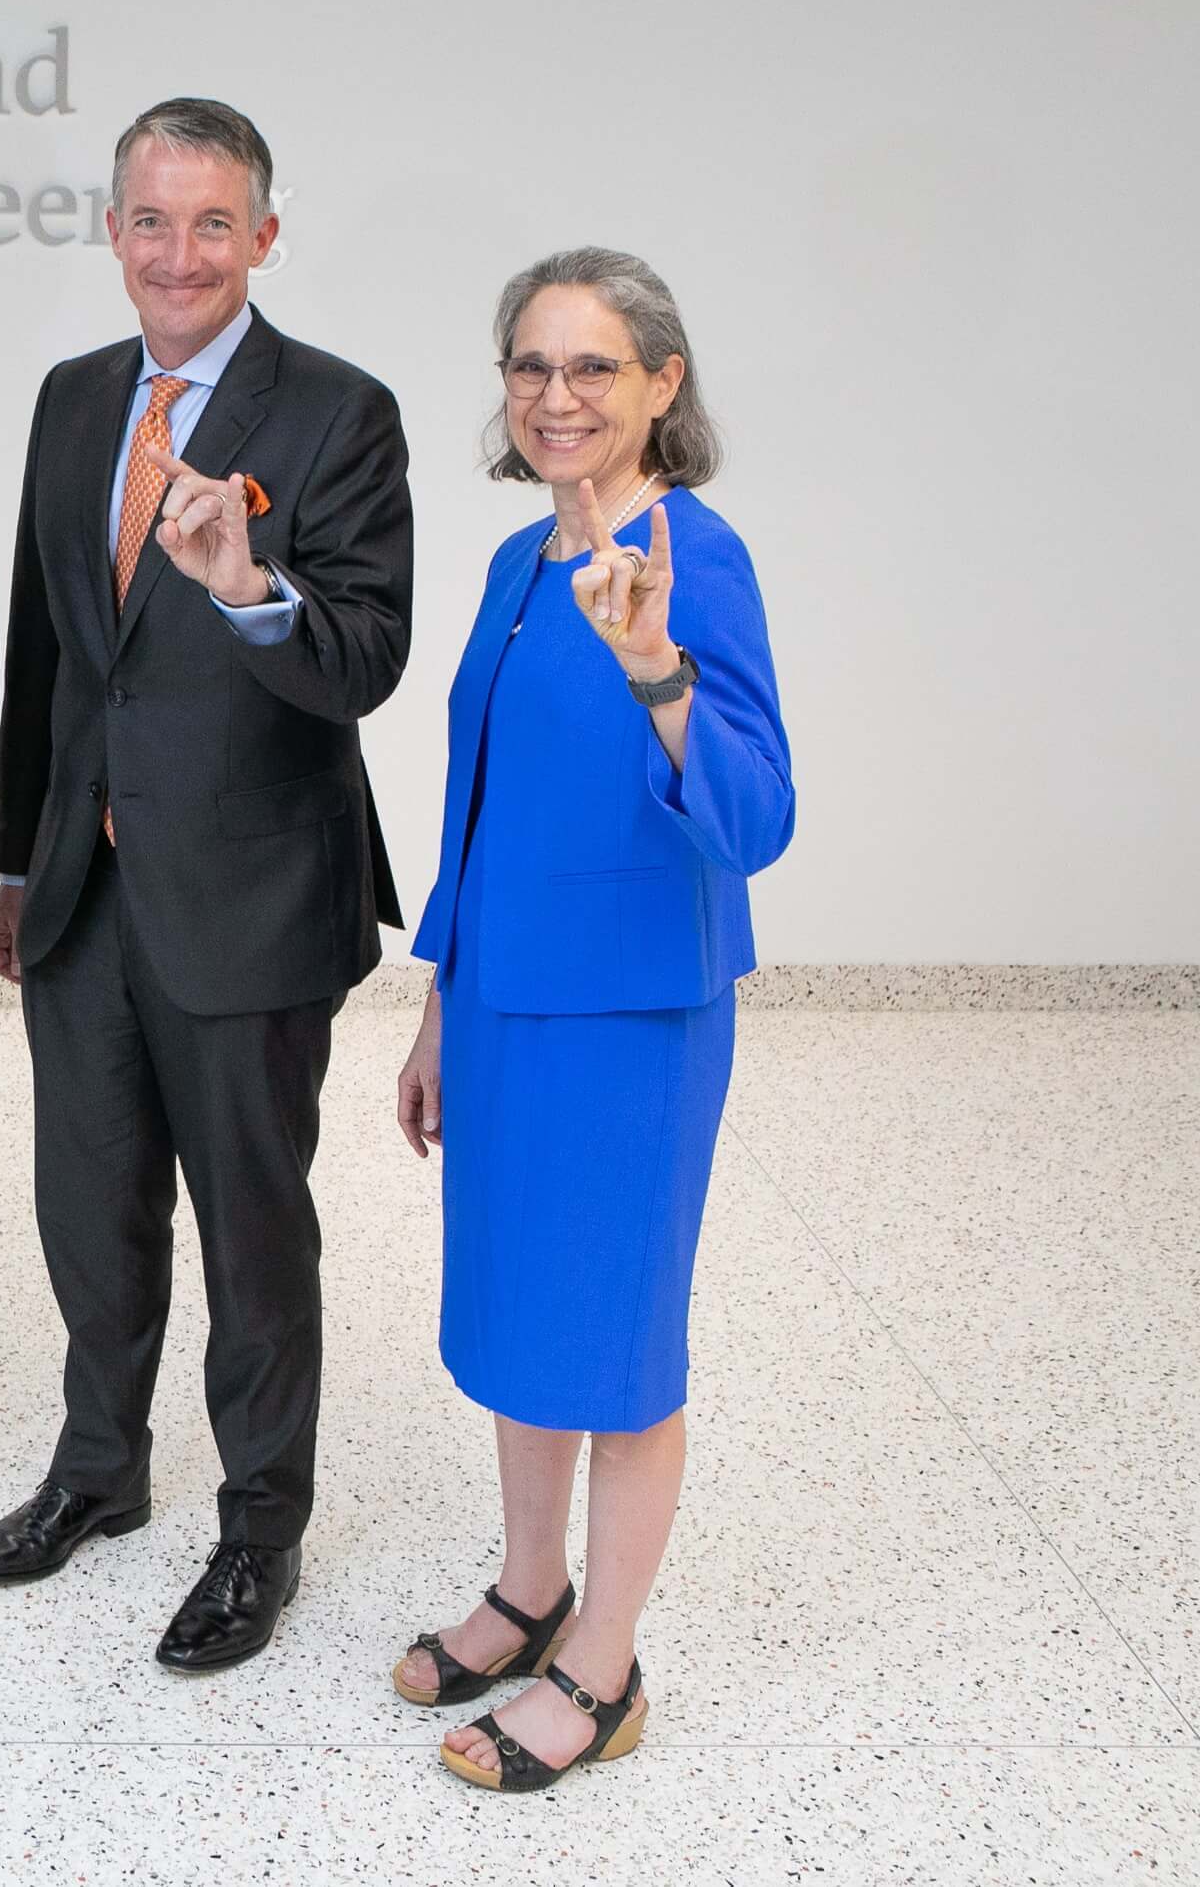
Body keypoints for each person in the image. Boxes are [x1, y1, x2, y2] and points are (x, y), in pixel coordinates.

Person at [0, 98, 414, 1674]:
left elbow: (366, 659)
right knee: (91, 1213)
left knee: (249, 1233)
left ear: (265, 237)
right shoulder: (75, 399)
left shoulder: (339, 413)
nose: (179, 252)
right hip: (85, 896)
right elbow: (49, 654)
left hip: (250, 901)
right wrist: (20, 858)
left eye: (213, 223)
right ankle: (100, 1469)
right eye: (150, 221)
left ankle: (259, 1529)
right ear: (114, 231)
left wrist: (252, 588)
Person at [392, 248, 792, 1789]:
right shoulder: (511, 564)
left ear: (662, 386)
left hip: (630, 1015)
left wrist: (658, 674)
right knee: (516, 1317)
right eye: (531, 368)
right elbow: (478, 810)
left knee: (616, 1348)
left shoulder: (701, 558)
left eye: (594, 369)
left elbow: (755, 814)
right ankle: (529, 1584)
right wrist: (439, 1003)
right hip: (502, 1001)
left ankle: (606, 1669)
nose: (556, 398)